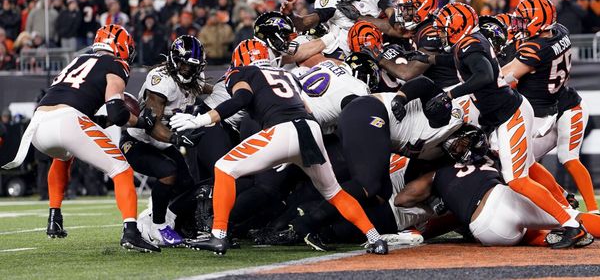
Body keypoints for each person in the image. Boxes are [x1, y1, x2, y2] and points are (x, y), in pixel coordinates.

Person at [169, 38, 389, 256]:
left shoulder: (242, 73)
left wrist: (200, 120)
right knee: (334, 192)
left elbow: (241, 99)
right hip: (310, 130)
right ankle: (375, 238)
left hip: (282, 130)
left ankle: (218, 235)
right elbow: (305, 108)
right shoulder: (288, 75)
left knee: (225, 167)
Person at [423, 2, 585, 248]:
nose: (442, 34)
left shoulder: (470, 45)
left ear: (457, 27)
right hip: (511, 111)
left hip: (512, 115)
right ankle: (564, 207)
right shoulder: (470, 42)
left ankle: (571, 224)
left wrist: (450, 95)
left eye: (445, 29)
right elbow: (470, 66)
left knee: (516, 179)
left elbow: (484, 76)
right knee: (528, 167)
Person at [1, 24, 159, 252]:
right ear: (121, 47)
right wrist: (141, 121)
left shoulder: (77, 60)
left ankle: (54, 216)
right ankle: (131, 232)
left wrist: (103, 120)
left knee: (64, 155)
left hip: (38, 124)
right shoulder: (116, 63)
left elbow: (81, 103)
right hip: (68, 120)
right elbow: (116, 110)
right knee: (121, 170)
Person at [395, 125, 598, 248]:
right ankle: (568, 227)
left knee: (524, 230)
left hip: (486, 232)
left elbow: (401, 199)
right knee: (570, 218)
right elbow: (533, 172)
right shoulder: (495, 155)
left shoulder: (436, 174)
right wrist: (561, 195)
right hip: (500, 200)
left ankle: (548, 239)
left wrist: (436, 201)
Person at [501, 0, 598, 214]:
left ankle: (592, 210)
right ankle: (564, 199)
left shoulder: (537, 48)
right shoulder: (560, 31)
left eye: (525, 21)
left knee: (567, 157)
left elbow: (505, 75)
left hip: (565, 107)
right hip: (551, 106)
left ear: (537, 22)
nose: (520, 26)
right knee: (526, 160)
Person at [120, 35, 208, 247]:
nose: (187, 69)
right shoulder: (161, 80)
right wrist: (176, 137)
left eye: (192, 66)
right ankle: (157, 227)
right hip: (137, 140)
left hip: (163, 143)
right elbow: (151, 124)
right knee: (167, 172)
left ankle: (158, 219)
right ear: (173, 60)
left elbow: (211, 90)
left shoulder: (196, 78)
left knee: (188, 186)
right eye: (184, 63)